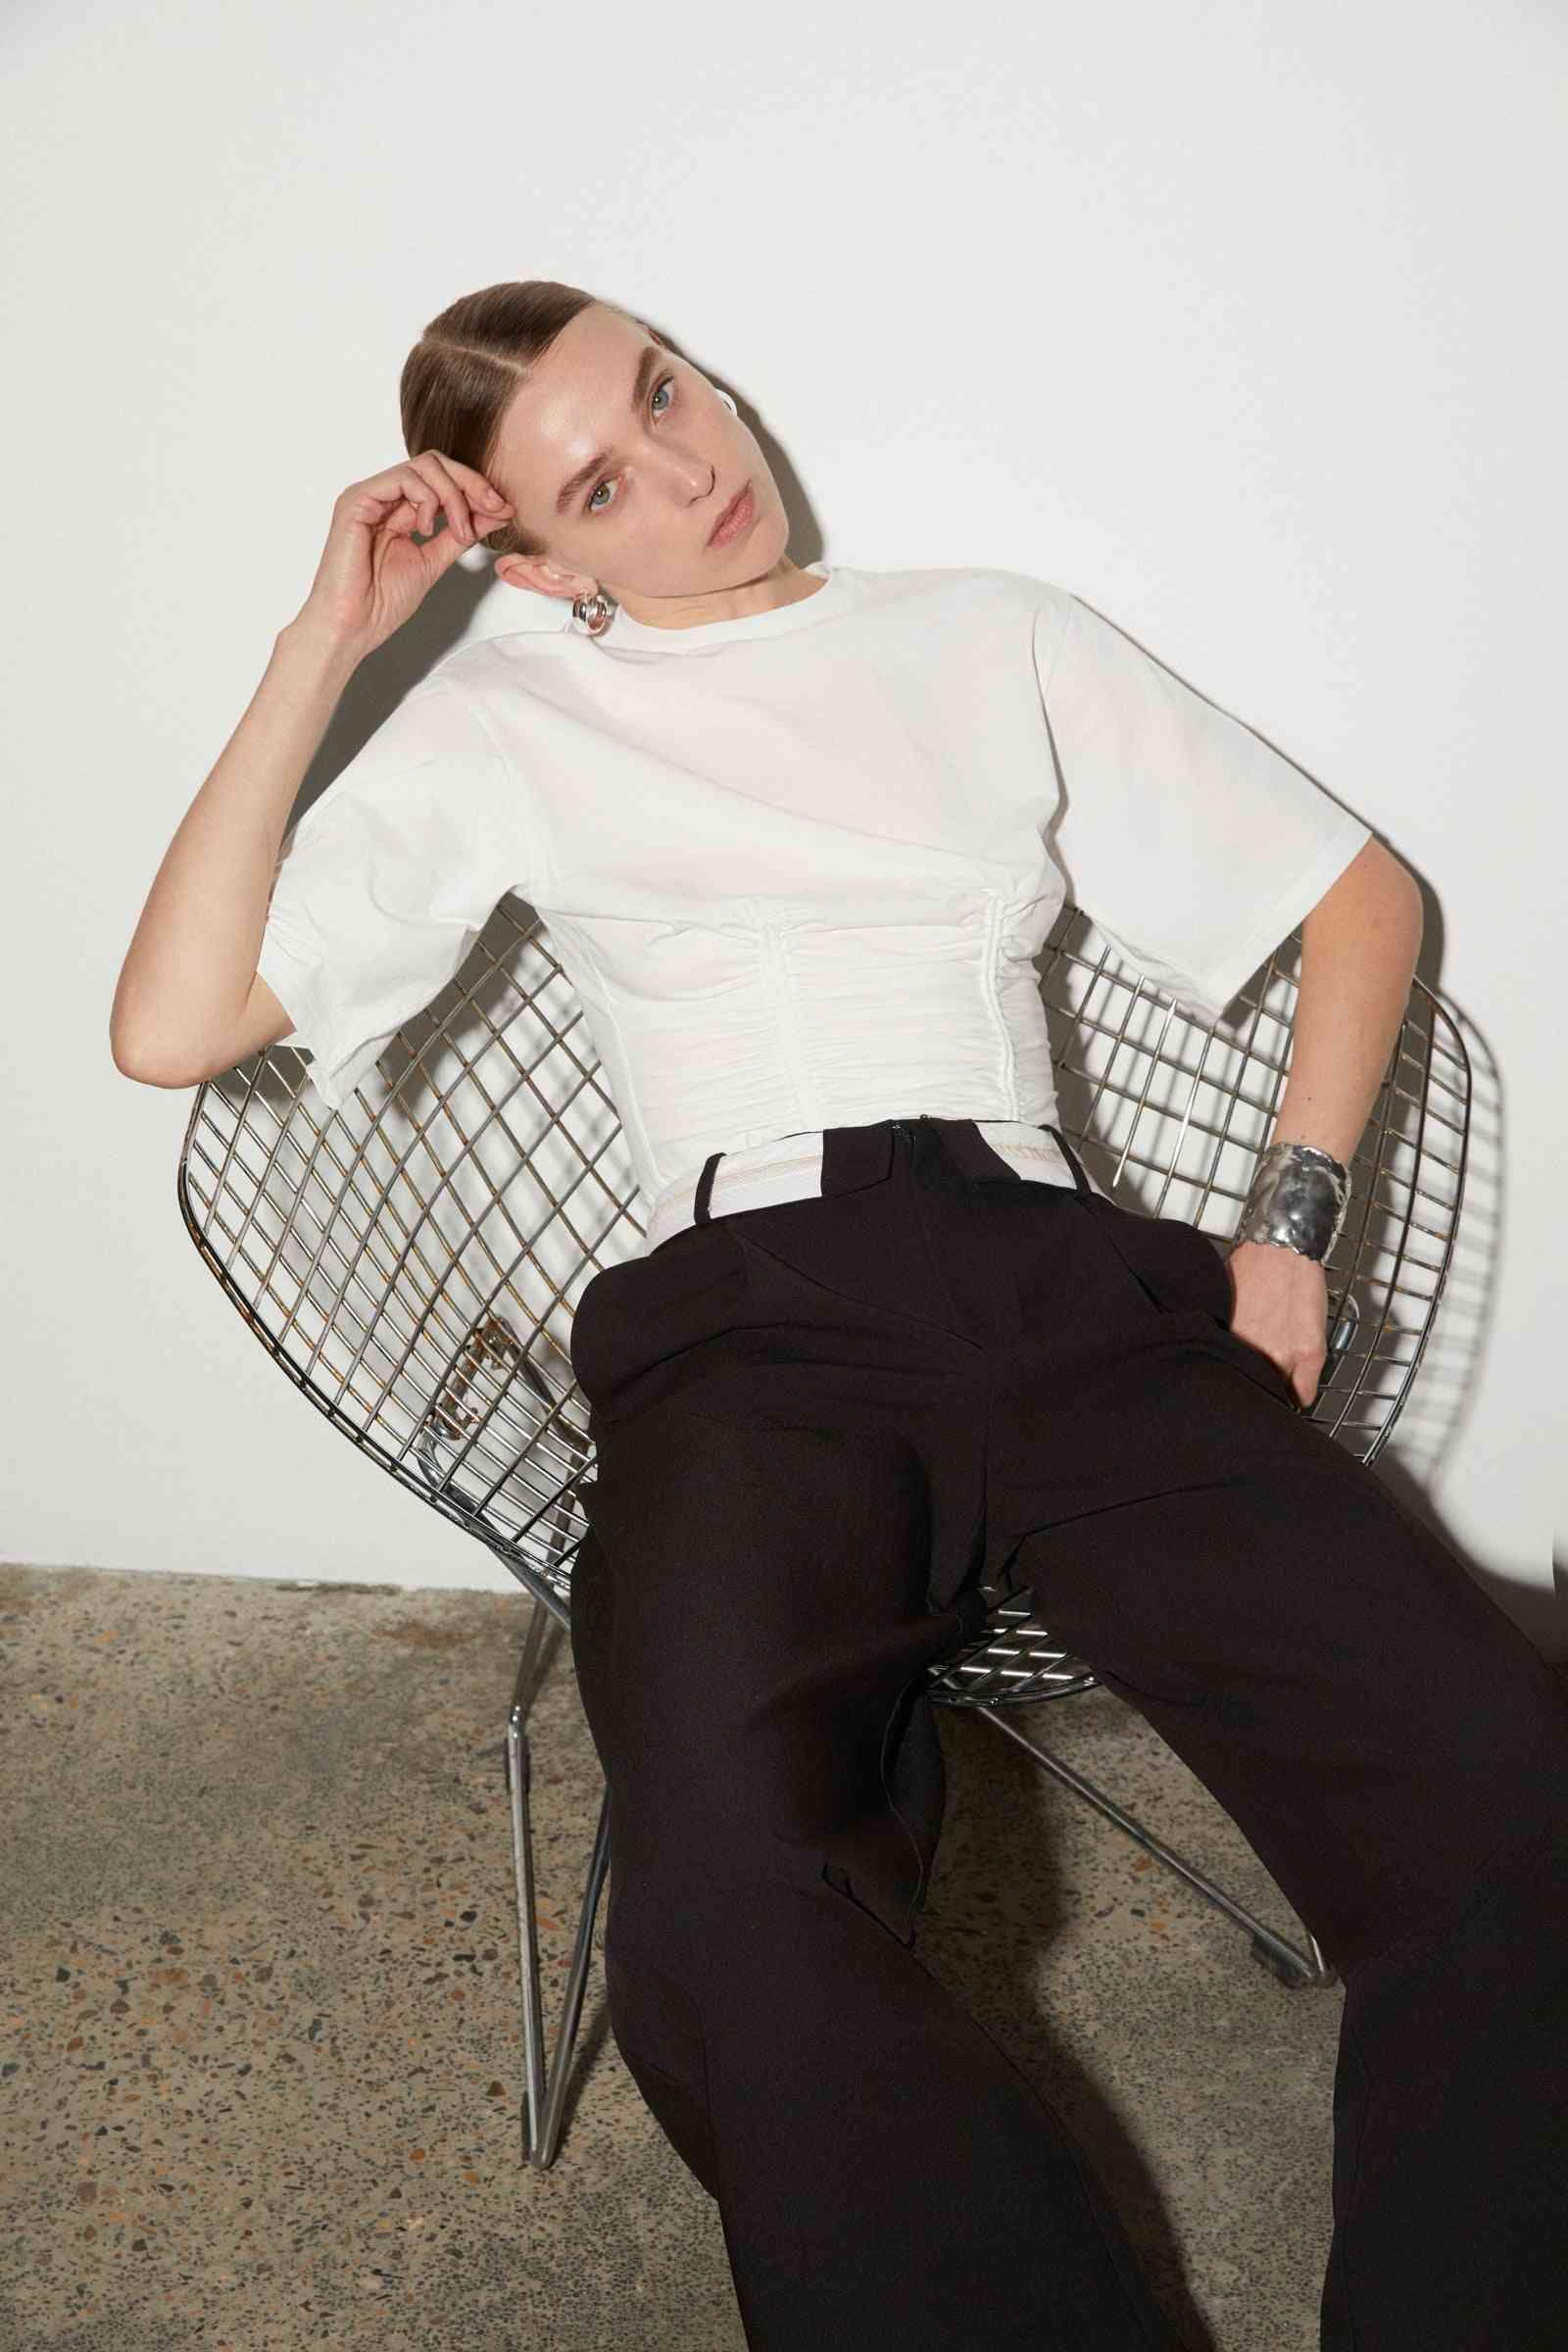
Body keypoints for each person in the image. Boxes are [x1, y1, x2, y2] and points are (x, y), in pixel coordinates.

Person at [111, 281, 1568, 2351]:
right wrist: (323, 646)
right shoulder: (511, 723)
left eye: (665, 392)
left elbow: (1355, 896)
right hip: (750, 1334)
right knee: (727, 1908)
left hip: (1066, 1283)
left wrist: (1290, 1232)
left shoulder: (990, 633)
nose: (686, 469)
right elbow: (171, 1024)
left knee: (1504, 1779)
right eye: (599, 485)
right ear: (535, 558)